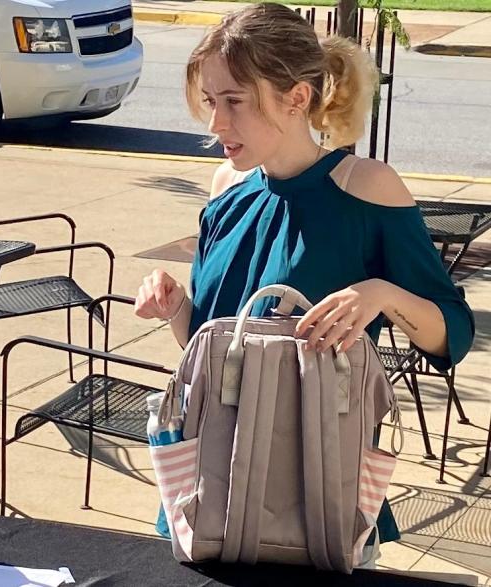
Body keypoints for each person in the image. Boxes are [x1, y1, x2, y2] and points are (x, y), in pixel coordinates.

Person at [134, 2, 475, 547]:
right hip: (210, 477)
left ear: (296, 98)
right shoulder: (226, 187)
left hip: (316, 488)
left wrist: (381, 294)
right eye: (210, 102)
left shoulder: (368, 188)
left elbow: (452, 334)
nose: (216, 123)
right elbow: (209, 348)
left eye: (235, 102)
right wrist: (177, 308)